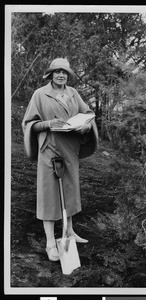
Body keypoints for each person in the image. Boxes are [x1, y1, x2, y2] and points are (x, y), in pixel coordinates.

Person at [22, 58, 98, 261]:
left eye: (64, 72)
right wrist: (47, 123)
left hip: (70, 148)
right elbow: (29, 123)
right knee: (49, 194)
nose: (61, 75)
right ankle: (49, 242)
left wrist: (87, 126)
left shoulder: (73, 93)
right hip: (50, 149)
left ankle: (69, 232)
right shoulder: (40, 94)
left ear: (68, 75)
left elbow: (88, 114)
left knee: (69, 190)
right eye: (57, 72)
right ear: (50, 74)